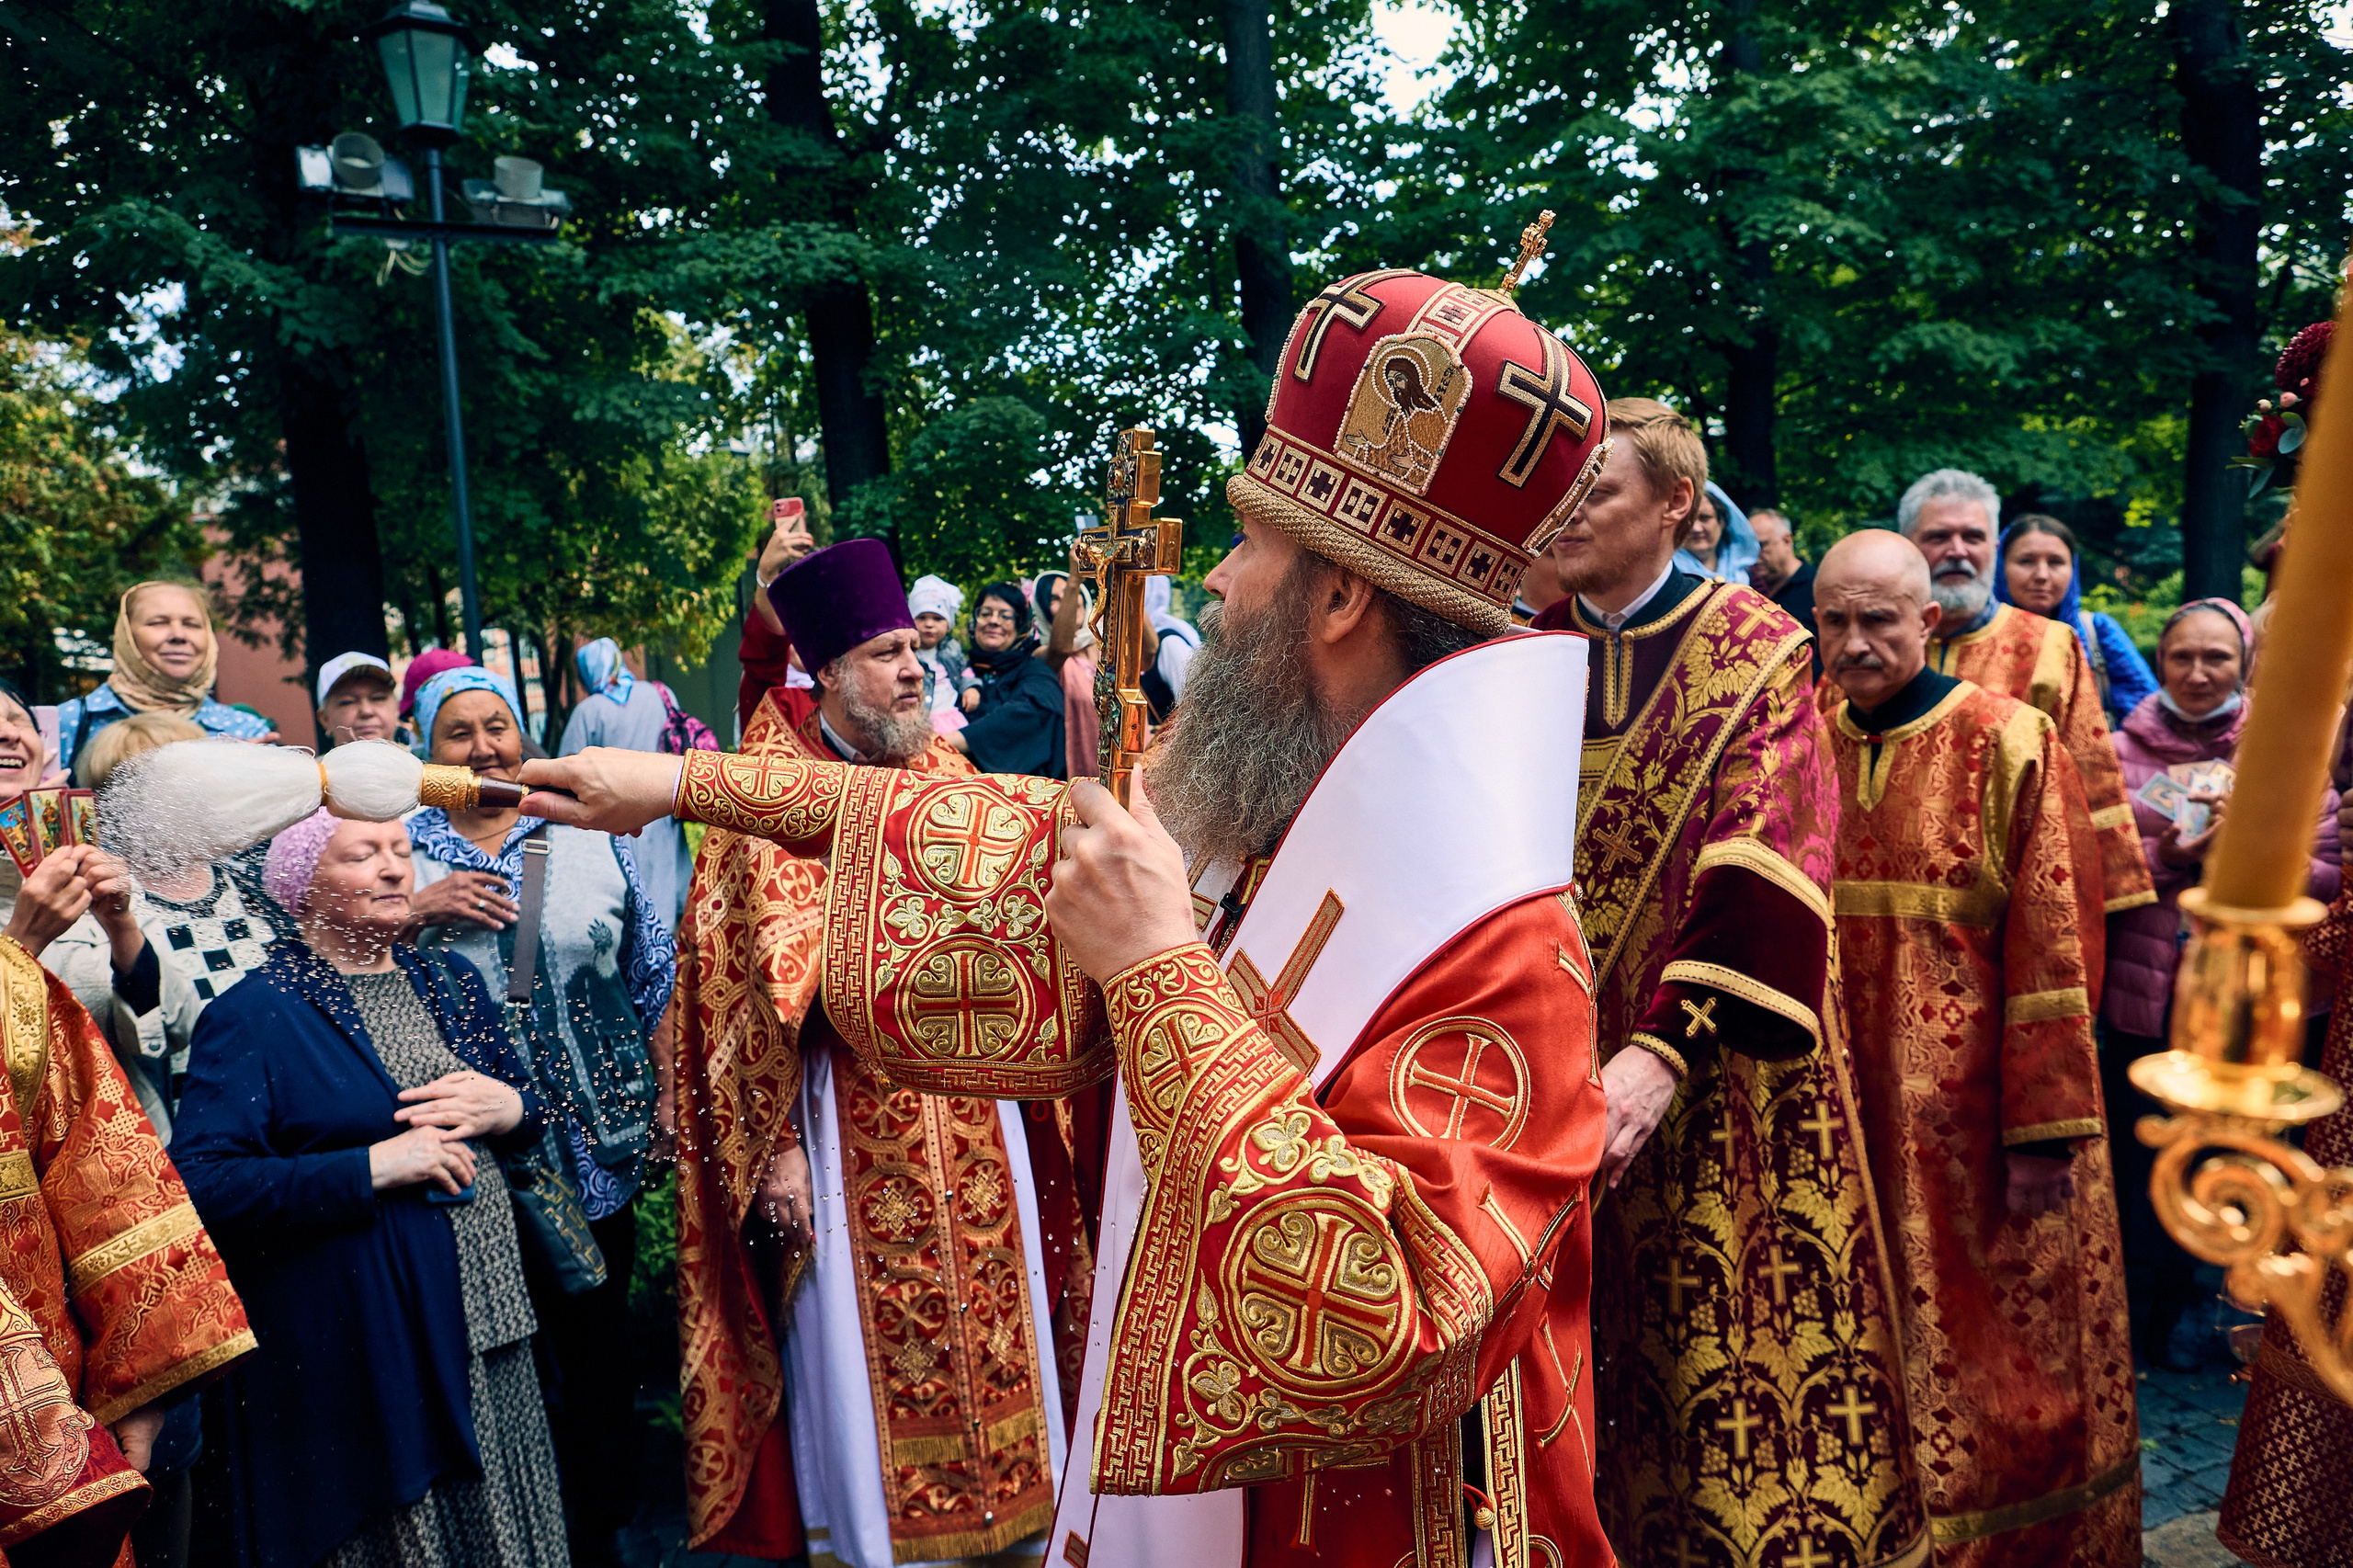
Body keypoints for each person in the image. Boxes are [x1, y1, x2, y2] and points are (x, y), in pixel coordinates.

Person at [522, 265, 1626, 1563]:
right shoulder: (1285, 807)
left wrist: (1157, 963)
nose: (1212, 582)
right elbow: (1016, 837)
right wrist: (680, 783)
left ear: (1339, 600)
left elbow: (1381, 1323)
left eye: (1251, 545)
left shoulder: (1501, 939)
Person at [1530, 397, 1927, 1563]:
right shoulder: (1517, 652)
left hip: (1712, 1077)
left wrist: (1657, 1057)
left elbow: (1765, 856)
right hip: (1546, 1062)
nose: (1563, 512)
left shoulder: (1758, 648)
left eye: (1592, 490)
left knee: (1715, 1360)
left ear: (1674, 506)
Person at [664, 539, 1070, 1565]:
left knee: (1002, 1315)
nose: (911, 668)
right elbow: (736, 991)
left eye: (911, 651)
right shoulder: (768, 787)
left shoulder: (947, 769)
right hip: (842, 1124)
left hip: (978, 1112)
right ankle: (882, 1541)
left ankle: (1022, 1526)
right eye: (886, 653)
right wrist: (778, 1150)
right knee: (859, 1349)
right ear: (831, 670)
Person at [1815, 530, 2140, 1562]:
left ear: (1929, 621)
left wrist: (2042, 1128)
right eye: (1835, 620)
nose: (1856, 642)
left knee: (2004, 1357)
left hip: (1979, 1128)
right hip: (1843, 1114)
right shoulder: (1802, 740)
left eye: (1878, 619)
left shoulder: (2007, 739)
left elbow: (2053, 933)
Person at [174, 812, 565, 1568]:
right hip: (375, 1340)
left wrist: (511, 1109)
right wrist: (373, 1167)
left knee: (511, 1522)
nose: (394, 869)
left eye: (398, 851)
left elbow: (521, 1108)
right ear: (301, 888)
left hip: (492, 1320)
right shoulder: (255, 1014)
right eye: (363, 855)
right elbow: (206, 1185)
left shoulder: (447, 979)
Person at [403, 666, 669, 1568]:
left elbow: (653, 974)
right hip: (465, 1156)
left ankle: (605, 1533)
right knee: (499, 1364)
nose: (484, 748)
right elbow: (335, 955)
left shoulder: (586, 829)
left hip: (593, 1146)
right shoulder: (400, 845)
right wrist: (413, 911)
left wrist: (664, 1097)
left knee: (596, 1352)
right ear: (425, 751)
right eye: (457, 733)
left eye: (498, 727)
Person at [0, 812, 256, 1528]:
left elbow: (168, 1029)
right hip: (19, 1248)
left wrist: (120, 931)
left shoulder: (77, 881)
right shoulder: (35, 916)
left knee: (155, 1477)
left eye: (15, 722)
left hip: (115, 1194)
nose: (6, 741)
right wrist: (23, 946)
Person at [2100, 598, 2336, 1367]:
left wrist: (2252, 863)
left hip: (2246, 1011)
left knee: (2239, 1167)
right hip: (2146, 1002)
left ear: (2243, 665)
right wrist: (2170, 854)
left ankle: (2234, 1318)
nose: (2199, 673)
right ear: (2160, 661)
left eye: (2217, 659)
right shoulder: (2116, 749)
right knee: (2143, 1170)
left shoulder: (2288, 748)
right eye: (2182, 658)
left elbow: (2329, 866)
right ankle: (2141, 1320)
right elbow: (2091, 862)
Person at [1892, 470, 2156, 922]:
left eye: (1972, 536)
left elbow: (2091, 781)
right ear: (1909, 546)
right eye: (1939, 536)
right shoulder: (1875, 646)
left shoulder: (2052, 647)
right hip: (1890, 898)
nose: (1958, 551)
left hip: (2015, 905)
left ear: (1992, 548)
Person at [53, 583, 273, 778]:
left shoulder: (246, 730)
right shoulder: (69, 721)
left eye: (192, 624)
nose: (179, 635)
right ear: (126, 636)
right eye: (158, 622)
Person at [558, 639, 696, 932]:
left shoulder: (588, 711)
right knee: (665, 883)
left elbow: (566, 769)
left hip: (615, 821)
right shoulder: (659, 693)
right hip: (663, 809)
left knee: (629, 888)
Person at [1995, 515, 2158, 726]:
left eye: (2056, 562)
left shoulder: (2098, 632)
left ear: (2073, 569)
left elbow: (2149, 721)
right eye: (2026, 561)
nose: (2042, 575)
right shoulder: (1976, 640)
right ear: (2000, 567)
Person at [950, 583, 1065, 777]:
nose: (993, 621)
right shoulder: (956, 671)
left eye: (1005, 616)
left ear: (1020, 625)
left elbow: (1026, 714)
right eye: (985, 613)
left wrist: (953, 741)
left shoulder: (1035, 671)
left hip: (1019, 794)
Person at [907, 573, 973, 715]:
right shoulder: (906, 654)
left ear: (948, 625)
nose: (929, 624)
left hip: (949, 718)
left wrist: (970, 688)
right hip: (919, 719)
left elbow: (964, 671)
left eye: (937, 619)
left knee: (953, 738)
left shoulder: (952, 649)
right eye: (922, 617)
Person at [1671, 480, 1759, 585]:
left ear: (1722, 521)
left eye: (1705, 518)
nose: (1696, 528)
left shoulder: (1753, 575)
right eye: (1687, 520)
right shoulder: (1666, 575)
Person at [315, 653, 400, 748]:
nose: (366, 711)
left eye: (378, 698)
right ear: (324, 719)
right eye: (348, 702)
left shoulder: (417, 762)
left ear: (397, 708)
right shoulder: (309, 764)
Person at [1748, 506, 1814, 627]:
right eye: (1748, 548)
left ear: (1787, 541)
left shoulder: (1817, 587)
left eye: (1761, 545)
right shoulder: (1749, 589)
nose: (1753, 555)